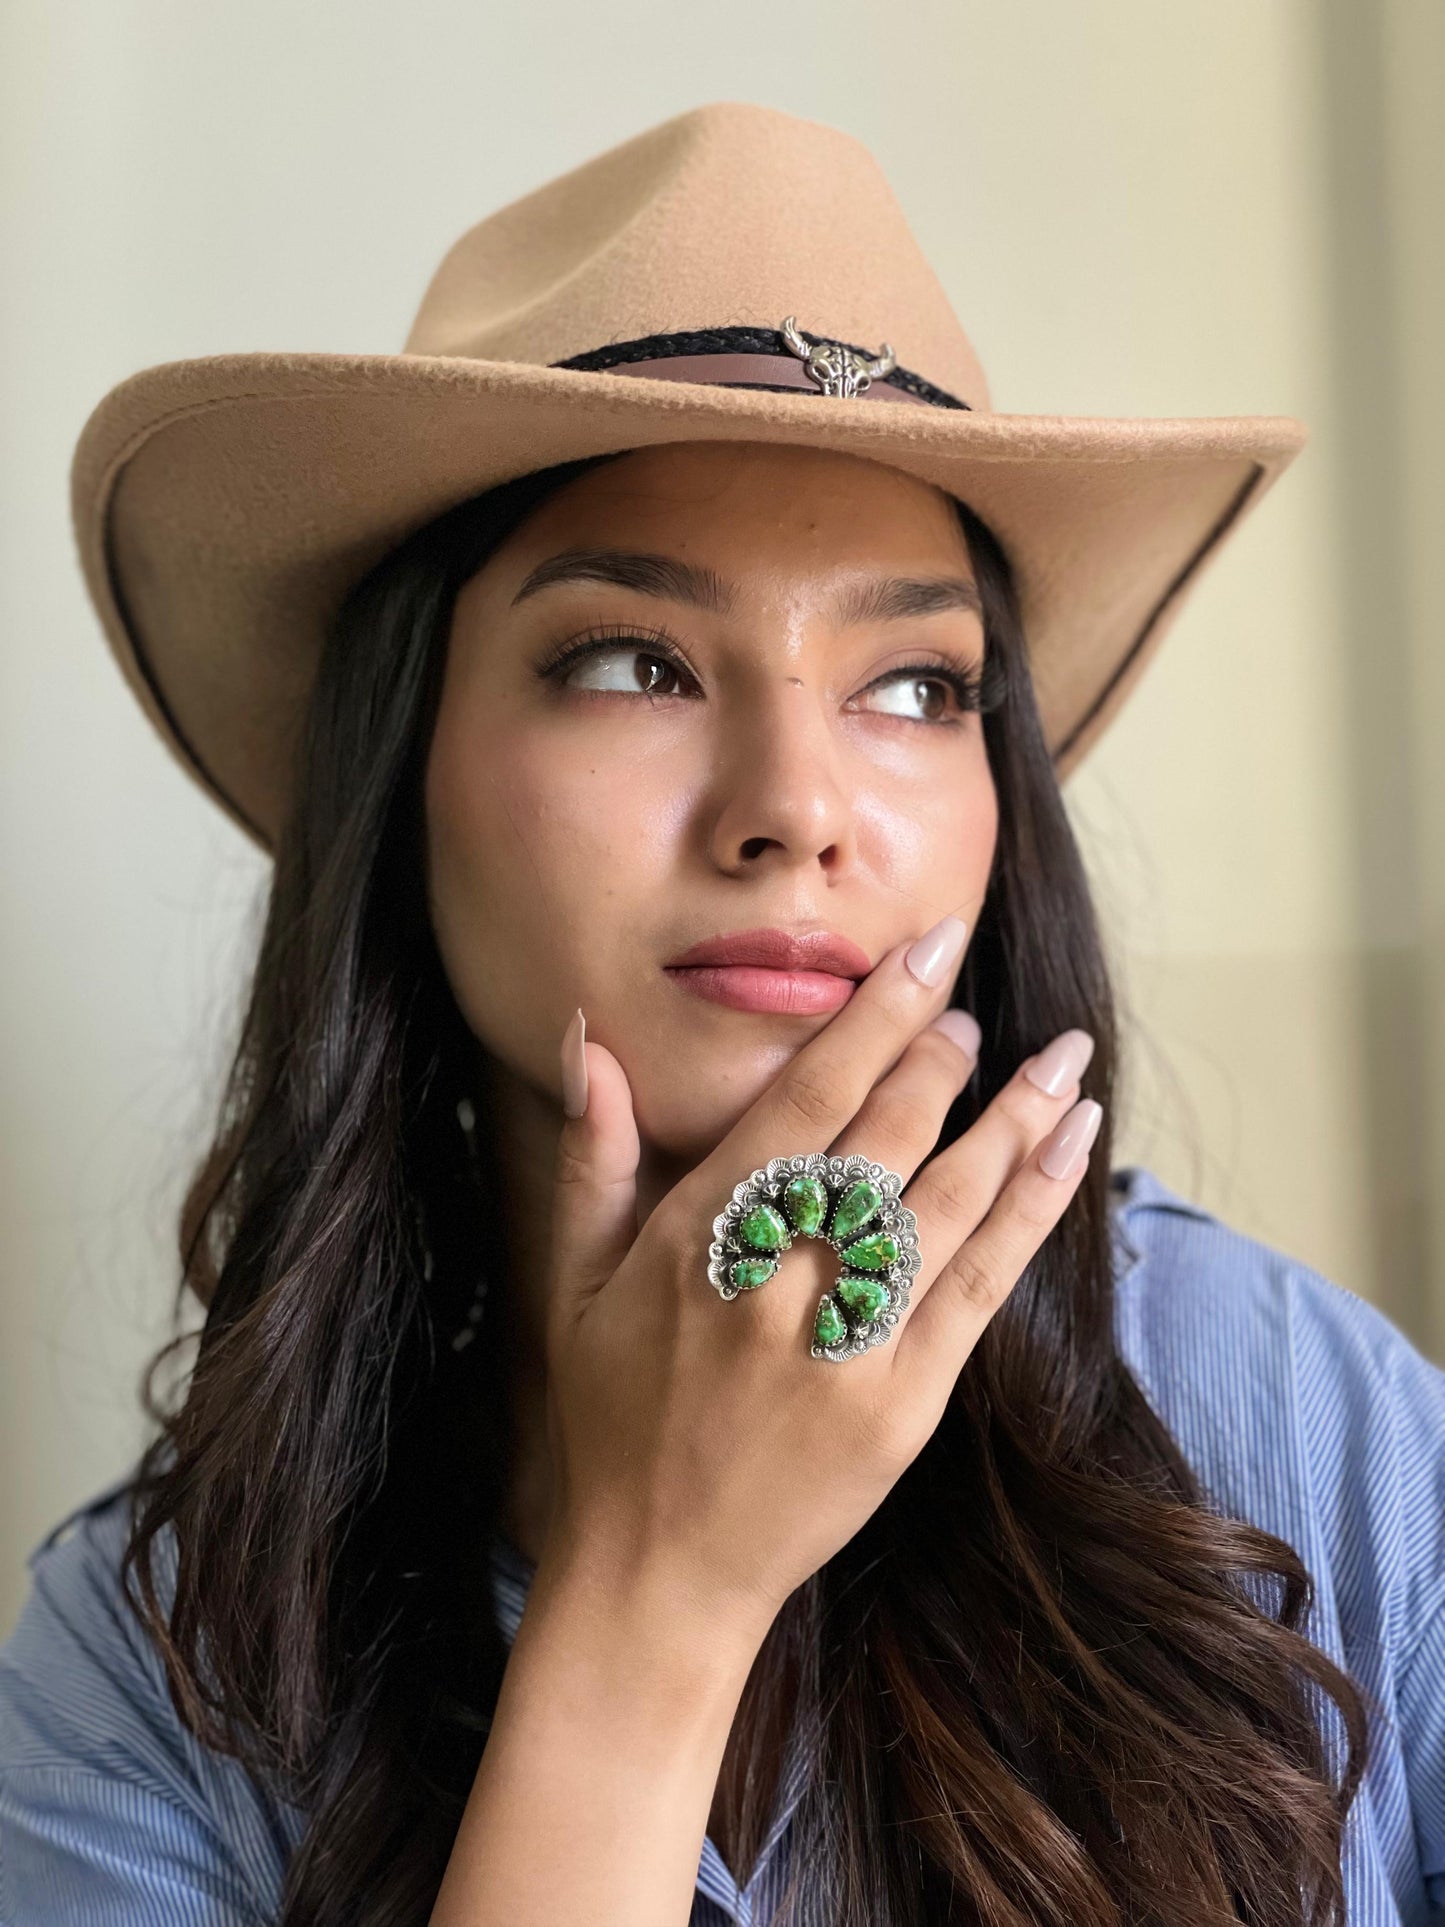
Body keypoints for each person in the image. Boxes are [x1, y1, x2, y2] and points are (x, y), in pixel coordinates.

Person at [2, 99, 1442, 1927]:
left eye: (916, 684)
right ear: (404, 770)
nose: (800, 804)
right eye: (631, 661)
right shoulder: (150, 1678)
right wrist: (656, 1592)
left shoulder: (1298, 1414)